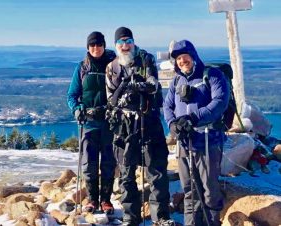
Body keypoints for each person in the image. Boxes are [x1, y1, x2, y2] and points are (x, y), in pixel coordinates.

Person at [105, 27, 175, 226]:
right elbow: (111, 99)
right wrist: (124, 92)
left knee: (156, 170)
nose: (125, 45)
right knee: (126, 172)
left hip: (148, 120)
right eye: (121, 42)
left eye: (128, 41)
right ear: (116, 45)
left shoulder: (146, 59)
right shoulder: (112, 67)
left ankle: (160, 217)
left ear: (134, 42)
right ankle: (130, 217)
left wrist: (142, 87)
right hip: (124, 125)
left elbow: (154, 83)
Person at [163, 40, 229, 226]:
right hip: (184, 143)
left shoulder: (211, 75)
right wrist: (172, 124)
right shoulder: (177, 80)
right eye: (178, 59)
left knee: (209, 189)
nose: (182, 61)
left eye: (185, 57)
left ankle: (211, 223)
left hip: (207, 140)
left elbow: (219, 102)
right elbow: (167, 105)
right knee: (190, 190)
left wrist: (193, 118)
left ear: (193, 56)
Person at [67, 31, 116, 214]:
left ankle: (106, 200)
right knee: (89, 164)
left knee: (109, 163)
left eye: (99, 44)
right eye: (92, 45)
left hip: (109, 123)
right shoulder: (82, 68)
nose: (96, 48)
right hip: (88, 123)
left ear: (104, 45)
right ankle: (92, 199)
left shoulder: (113, 65)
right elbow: (72, 95)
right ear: (88, 47)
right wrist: (77, 109)